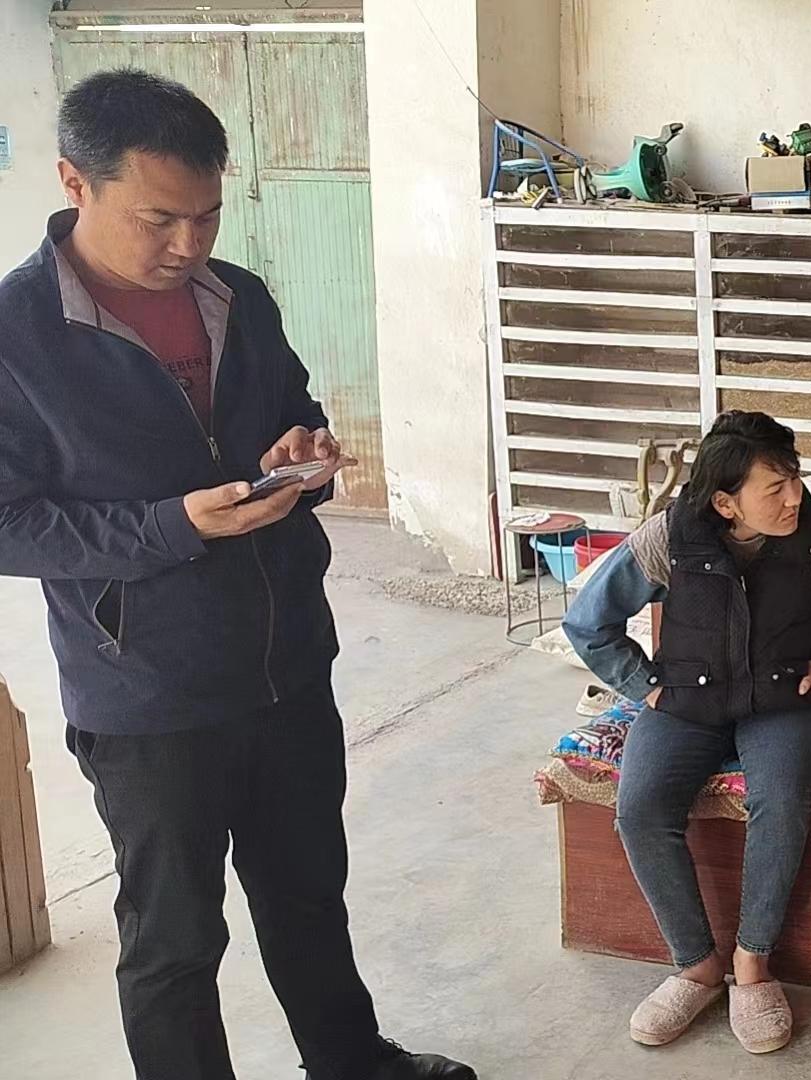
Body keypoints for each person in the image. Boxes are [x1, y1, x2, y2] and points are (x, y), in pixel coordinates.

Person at [0, 70, 473, 1080]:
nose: (190, 244)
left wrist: (301, 448)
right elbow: (10, 525)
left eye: (208, 215)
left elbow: (290, 406)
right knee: (174, 941)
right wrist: (174, 525)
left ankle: (350, 1063)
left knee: (308, 893)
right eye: (160, 218)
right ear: (75, 183)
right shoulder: (16, 337)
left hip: (286, 658)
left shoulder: (236, 296)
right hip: (147, 692)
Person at [563, 410, 811, 1055]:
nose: (795, 497)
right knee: (640, 809)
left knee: (781, 799)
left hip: (786, 702)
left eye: (795, 479)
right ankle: (695, 966)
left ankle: (753, 964)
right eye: (776, 487)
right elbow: (588, 621)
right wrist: (643, 685)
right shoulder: (669, 537)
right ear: (725, 502)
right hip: (687, 701)